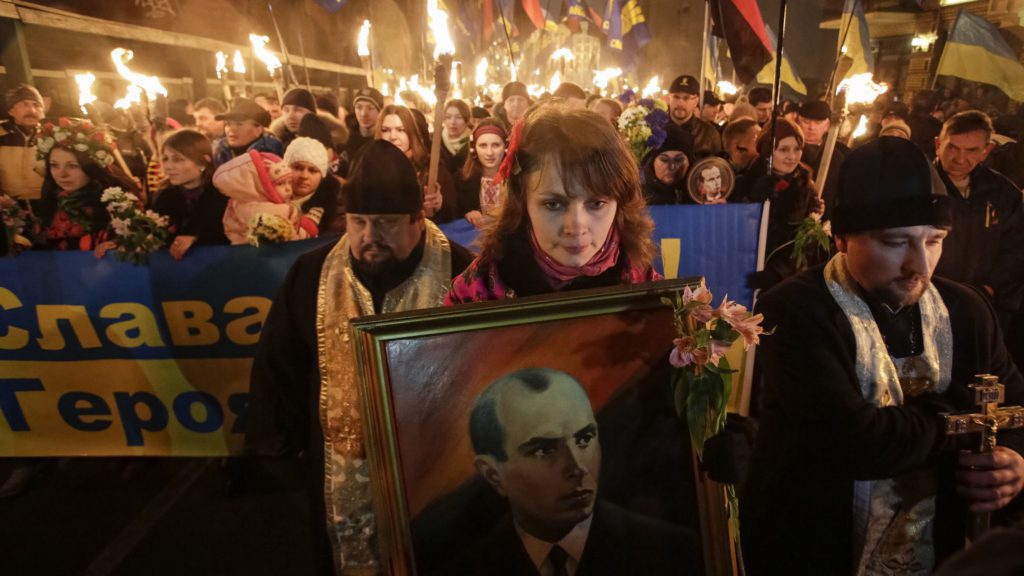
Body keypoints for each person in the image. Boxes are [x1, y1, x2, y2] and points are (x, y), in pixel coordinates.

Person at [742, 136, 1024, 576]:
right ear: (842, 238)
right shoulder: (795, 309)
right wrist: (955, 422)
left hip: (941, 547)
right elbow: (855, 440)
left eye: (934, 240)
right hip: (819, 545)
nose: (921, 265)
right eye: (896, 242)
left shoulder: (967, 311)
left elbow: (1013, 410)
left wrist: (1012, 461)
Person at [244, 140, 474, 575]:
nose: (369, 237)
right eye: (359, 222)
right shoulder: (312, 274)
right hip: (341, 470)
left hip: (437, 469)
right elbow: (280, 366)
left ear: (417, 220)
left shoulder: (463, 273)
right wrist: (275, 449)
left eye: (385, 223)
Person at [447, 368, 697, 575]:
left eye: (584, 438)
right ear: (493, 475)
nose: (578, 467)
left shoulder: (676, 553)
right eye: (544, 450)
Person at [446, 105, 659, 304]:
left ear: (620, 203)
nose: (576, 227)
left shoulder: (643, 286)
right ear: (522, 202)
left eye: (596, 203)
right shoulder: (477, 293)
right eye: (553, 204)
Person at [932, 110, 1024, 331]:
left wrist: (990, 288)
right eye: (952, 147)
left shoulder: (1002, 193)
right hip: (928, 302)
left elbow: (1017, 247)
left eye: (971, 150)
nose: (960, 158)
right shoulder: (919, 185)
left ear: (986, 150)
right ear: (938, 144)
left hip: (983, 307)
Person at [741, 118, 824, 289]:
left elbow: (805, 241)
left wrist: (778, 272)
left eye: (797, 149)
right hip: (747, 273)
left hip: (785, 281)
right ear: (767, 152)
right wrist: (752, 200)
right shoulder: (747, 180)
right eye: (784, 149)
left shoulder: (805, 185)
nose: (792, 157)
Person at [35, 118, 139, 251]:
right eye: (54, 165)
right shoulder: (51, 199)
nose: (62, 174)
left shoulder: (118, 203)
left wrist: (117, 245)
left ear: (92, 167)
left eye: (72, 166)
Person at [149, 129, 229, 259]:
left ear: (203, 162)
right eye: (165, 159)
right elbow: (149, 233)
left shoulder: (222, 194)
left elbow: (231, 236)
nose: (168, 166)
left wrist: (197, 239)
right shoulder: (164, 196)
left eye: (178, 159)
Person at [376, 104, 457, 224]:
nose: (393, 136)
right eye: (386, 130)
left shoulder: (431, 169)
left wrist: (439, 205)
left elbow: (452, 212)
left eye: (400, 130)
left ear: (410, 133)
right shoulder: (369, 167)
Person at [798, 99, 846, 219]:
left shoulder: (836, 157)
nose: (811, 128)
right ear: (798, 121)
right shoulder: (789, 150)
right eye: (806, 121)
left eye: (818, 123)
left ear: (827, 125)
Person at [454, 119, 506, 227]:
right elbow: (453, 213)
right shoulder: (462, 179)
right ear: (474, 148)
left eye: (496, 145)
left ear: (505, 147)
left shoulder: (519, 179)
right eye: (483, 145)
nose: (489, 153)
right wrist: (467, 214)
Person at [283, 136, 339, 236]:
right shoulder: (265, 199)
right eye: (298, 168)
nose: (304, 176)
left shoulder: (335, 208)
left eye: (312, 170)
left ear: (322, 176)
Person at [0, 84, 45, 205]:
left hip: (46, 204)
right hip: (9, 206)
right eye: (25, 105)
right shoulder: (1, 135)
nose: (32, 110)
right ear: (11, 110)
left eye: (36, 105)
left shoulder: (50, 136)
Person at [212, 98, 284, 167]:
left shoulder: (271, 155)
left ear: (258, 129)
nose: (231, 129)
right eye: (228, 124)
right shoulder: (220, 153)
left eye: (239, 124)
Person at [667, 75, 722, 157]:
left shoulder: (709, 134)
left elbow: (717, 165)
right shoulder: (654, 130)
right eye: (676, 97)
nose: (680, 103)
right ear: (669, 98)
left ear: (696, 101)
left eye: (686, 98)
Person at [641, 123, 694, 205]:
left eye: (678, 160)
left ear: (689, 162)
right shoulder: (637, 196)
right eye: (664, 160)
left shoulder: (701, 191)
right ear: (652, 162)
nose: (671, 167)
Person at [342, 87, 383, 175]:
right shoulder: (344, 140)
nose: (364, 113)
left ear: (380, 112)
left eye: (370, 108)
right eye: (359, 107)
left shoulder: (385, 143)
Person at [723, 118, 761, 202]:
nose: (763, 146)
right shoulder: (715, 174)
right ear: (737, 146)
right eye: (758, 141)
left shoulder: (764, 173)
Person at [442, 99, 472, 174]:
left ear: (467, 120)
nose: (452, 122)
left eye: (459, 117)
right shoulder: (435, 142)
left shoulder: (474, 142)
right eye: (448, 117)